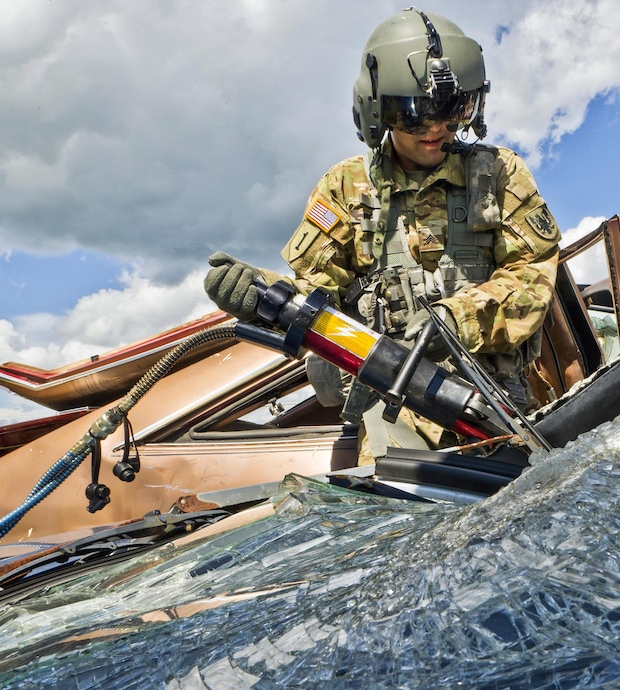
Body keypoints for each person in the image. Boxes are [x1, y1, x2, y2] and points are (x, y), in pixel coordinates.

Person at [206, 7, 560, 463]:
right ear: (377, 113)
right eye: (415, 114)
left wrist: (458, 320)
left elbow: (533, 275)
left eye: (455, 111)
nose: (437, 128)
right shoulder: (345, 187)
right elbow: (315, 297)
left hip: (496, 411)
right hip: (393, 421)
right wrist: (255, 292)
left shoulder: (497, 174)